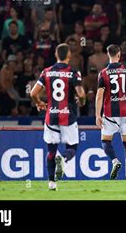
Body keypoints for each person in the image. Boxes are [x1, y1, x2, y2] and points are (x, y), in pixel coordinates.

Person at [30, 43, 86, 191]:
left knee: (51, 150)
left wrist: (39, 103)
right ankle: (64, 158)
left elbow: (33, 93)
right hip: (68, 116)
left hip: (51, 115)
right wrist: (81, 102)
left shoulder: (46, 72)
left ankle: (51, 183)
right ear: (69, 56)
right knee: (72, 147)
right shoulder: (74, 73)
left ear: (56, 55)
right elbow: (81, 94)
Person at [95, 44, 126, 180]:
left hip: (109, 114)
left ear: (108, 54)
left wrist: (98, 115)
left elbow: (99, 95)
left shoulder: (103, 73)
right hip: (125, 113)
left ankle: (115, 161)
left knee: (105, 141)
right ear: (119, 54)